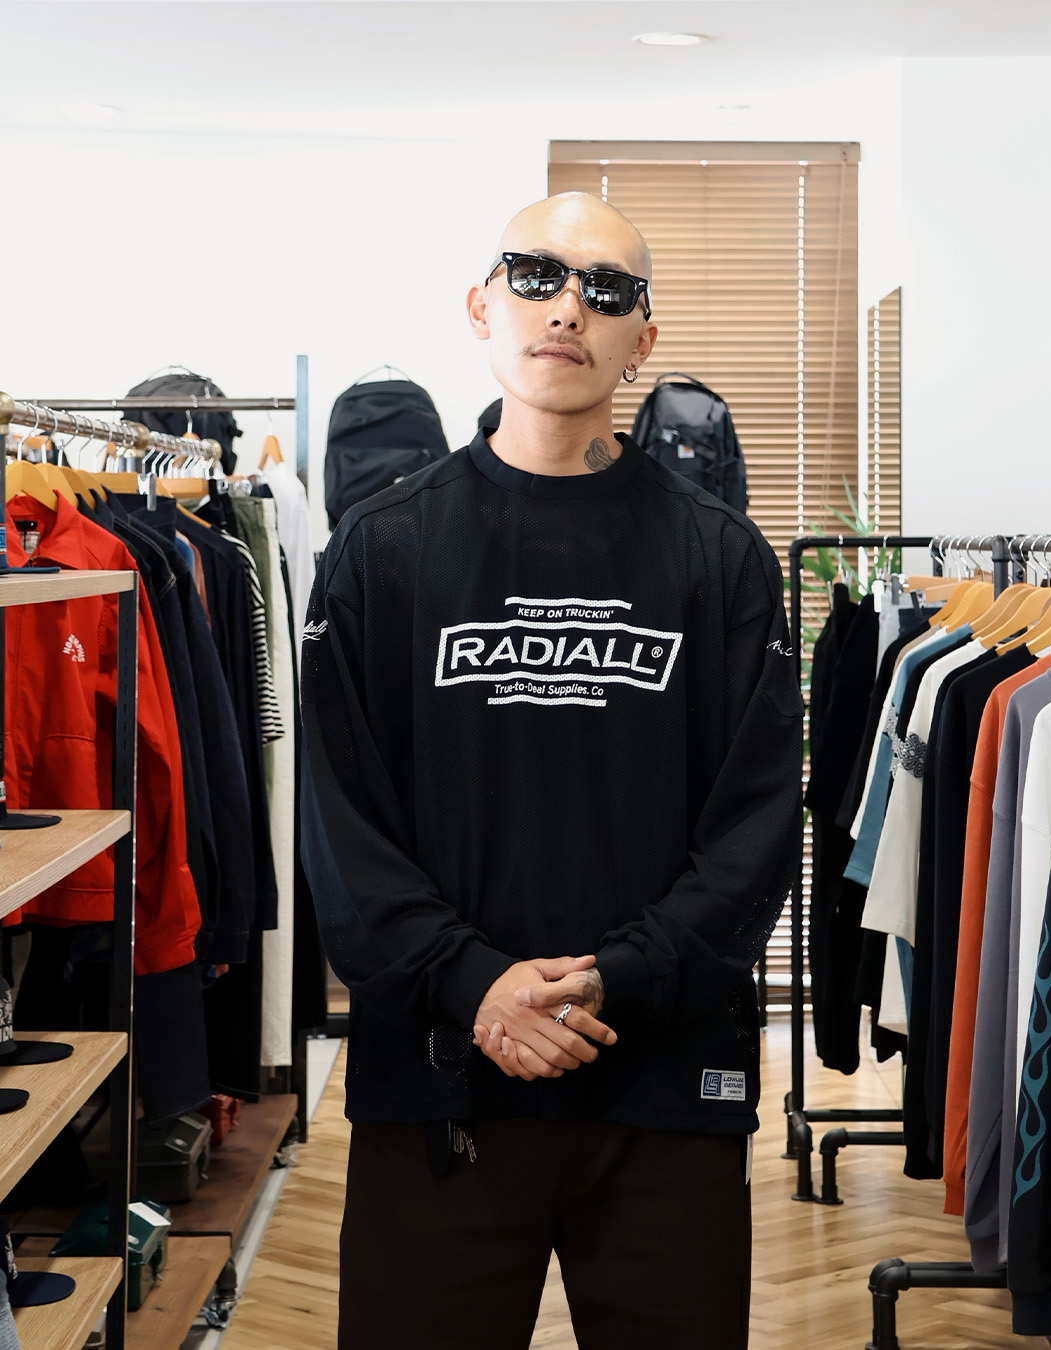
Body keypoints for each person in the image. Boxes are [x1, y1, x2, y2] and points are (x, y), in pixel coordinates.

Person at [301, 191, 804, 1350]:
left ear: (643, 338)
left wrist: (623, 977)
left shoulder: (721, 557)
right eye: (536, 275)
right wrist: (471, 983)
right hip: (440, 1085)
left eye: (607, 290)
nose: (568, 307)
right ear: (482, 306)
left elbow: (757, 823)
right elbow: (339, 822)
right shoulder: (382, 550)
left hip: (664, 1090)